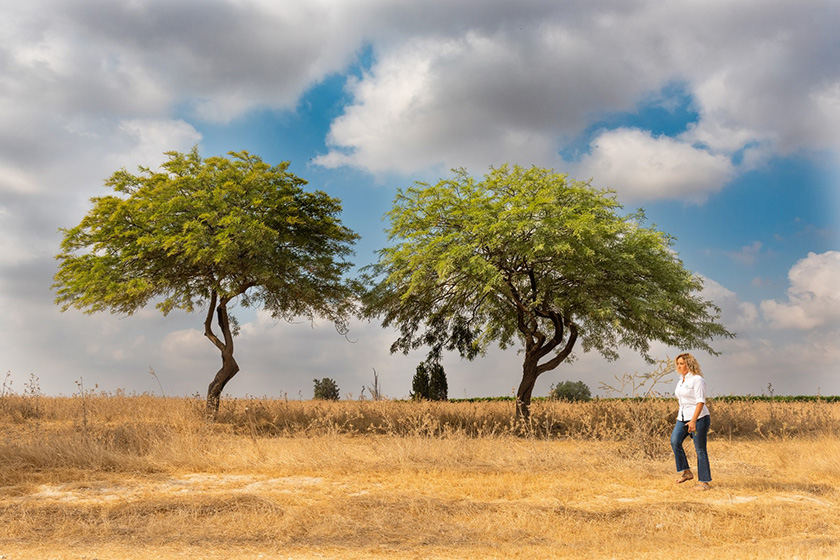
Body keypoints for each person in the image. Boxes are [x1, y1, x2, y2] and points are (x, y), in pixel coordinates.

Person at [670, 352, 712, 490]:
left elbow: (700, 402)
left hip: (698, 418)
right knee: (675, 441)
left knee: (700, 449)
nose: (679, 366)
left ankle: (704, 482)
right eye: (678, 364)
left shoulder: (697, 380)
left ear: (689, 364)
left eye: (682, 364)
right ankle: (686, 472)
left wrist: (693, 421)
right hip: (682, 418)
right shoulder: (681, 380)